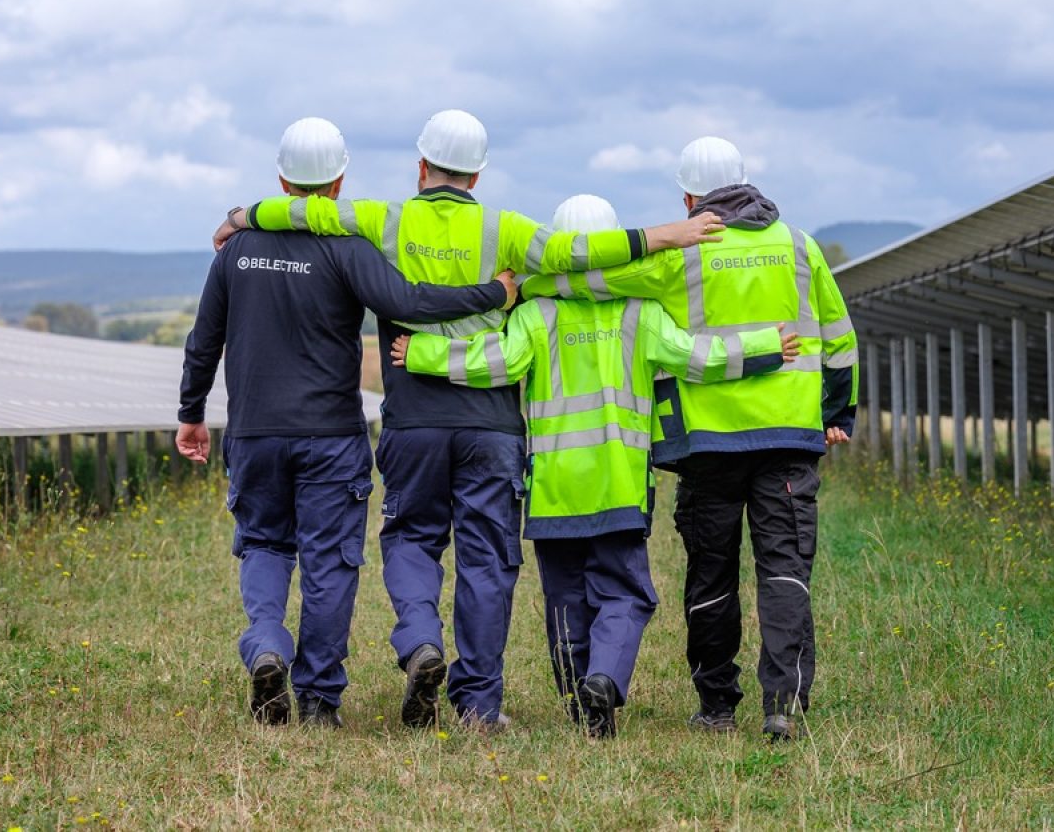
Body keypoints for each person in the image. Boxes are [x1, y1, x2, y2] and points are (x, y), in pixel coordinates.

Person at [208, 110, 726, 732]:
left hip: (413, 420)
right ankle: (479, 705)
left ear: (421, 166)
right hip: (491, 425)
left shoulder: (383, 219)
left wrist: (243, 216)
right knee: (485, 563)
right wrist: (664, 235)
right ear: (478, 173)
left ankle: (422, 638)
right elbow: (574, 253)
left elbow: (308, 213)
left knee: (410, 540)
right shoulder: (505, 229)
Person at [390, 193, 801, 738]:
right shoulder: (641, 311)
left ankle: (578, 700)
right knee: (625, 593)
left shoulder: (535, 312)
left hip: (556, 490)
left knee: (564, 601)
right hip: (619, 485)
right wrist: (764, 346)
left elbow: (499, 362)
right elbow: (695, 357)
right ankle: (604, 679)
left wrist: (420, 353)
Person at [175, 117, 518, 730]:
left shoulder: (236, 254)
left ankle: (267, 645)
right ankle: (318, 702)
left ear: (281, 178)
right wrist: (492, 293)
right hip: (332, 436)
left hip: (253, 432)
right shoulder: (349, 247)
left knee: (263, 544)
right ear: (338, 183)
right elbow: (410, 304)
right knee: (330, 563)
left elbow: (204, 341)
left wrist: (191, 414)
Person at [522, 139, 859, 741]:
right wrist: (838, 413)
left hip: (709, 447)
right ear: (749, 183)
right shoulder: (801, 247)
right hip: (789, 439)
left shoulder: (681, 257)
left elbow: (589, 277)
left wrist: (521, 282)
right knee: (785, 570)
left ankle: (717, 706)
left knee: (712, 574)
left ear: (688, 197)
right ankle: (782, 703)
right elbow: (840, 339)